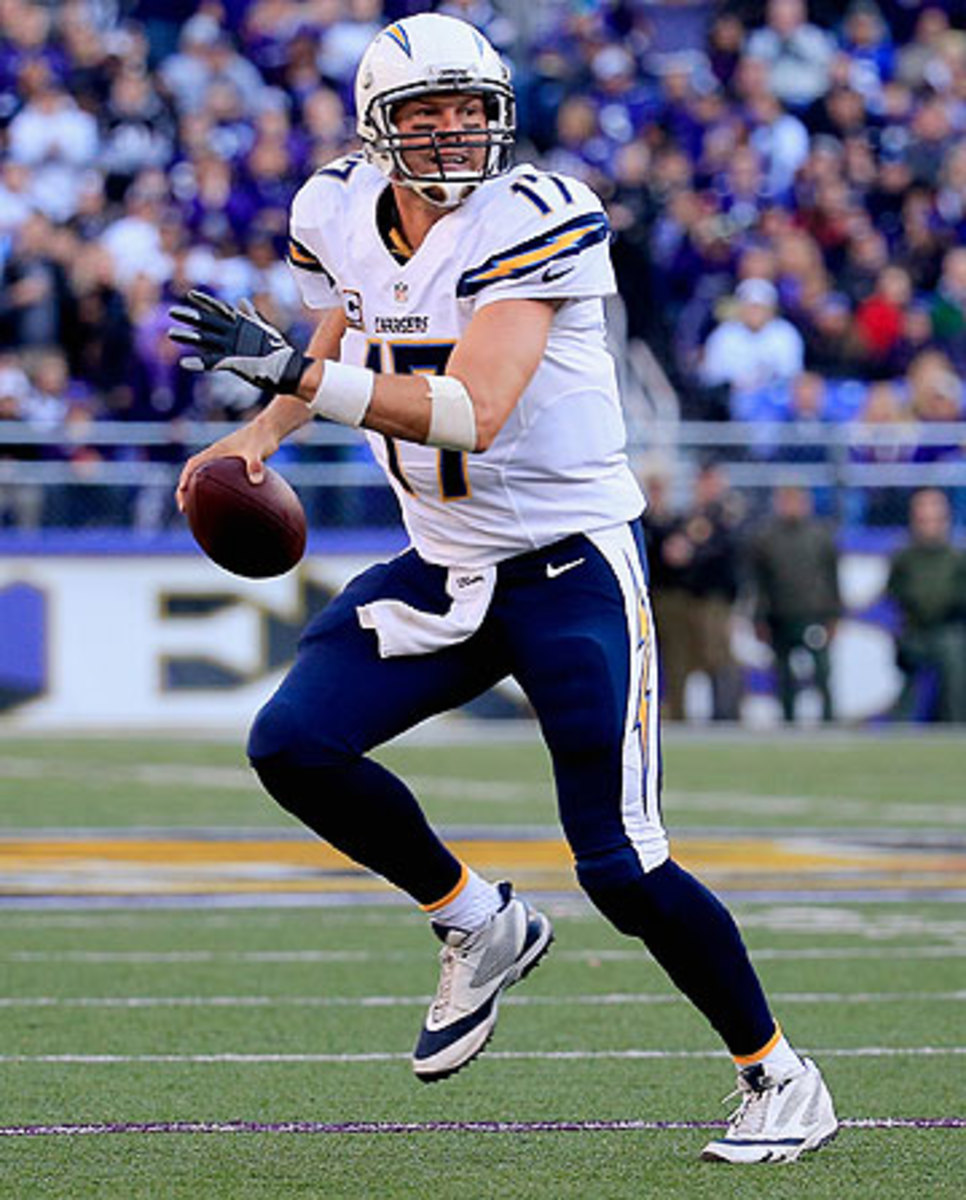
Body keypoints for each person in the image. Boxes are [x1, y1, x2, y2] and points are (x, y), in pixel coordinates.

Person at [168, 14, 837, 1164]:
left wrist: (295, 375)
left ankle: (779, 1075)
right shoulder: (333, 207)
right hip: (444, 564)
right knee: (293, 745)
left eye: (469, 108)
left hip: (569, 568)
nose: (452, 131)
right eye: (425, 112)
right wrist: (262, 429)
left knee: (622, 867)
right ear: (377, 129)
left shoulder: (540, 214)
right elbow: (349, 317)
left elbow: (473, 409)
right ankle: (475, 919)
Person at [747, 485, 842, 723]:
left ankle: (828, 720)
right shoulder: (766, 538)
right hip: (780, 616)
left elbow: (832, 578)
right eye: (786, 500)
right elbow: (759, 583)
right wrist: (759, 618)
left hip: (813, 615)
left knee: (822, 672)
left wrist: (834, 615)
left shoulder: (820, 535)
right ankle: (787, 720)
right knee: (783, 675)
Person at [887, 489, 966, 722]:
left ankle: (955, 723)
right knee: (908, 657)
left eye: (934, 518)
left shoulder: (957, 558)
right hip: (914, 631)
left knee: (953, 651)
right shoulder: (903, 557)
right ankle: (901, 724)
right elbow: (894, 593)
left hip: (948, 629)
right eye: (923, 519)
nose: (929, 525)